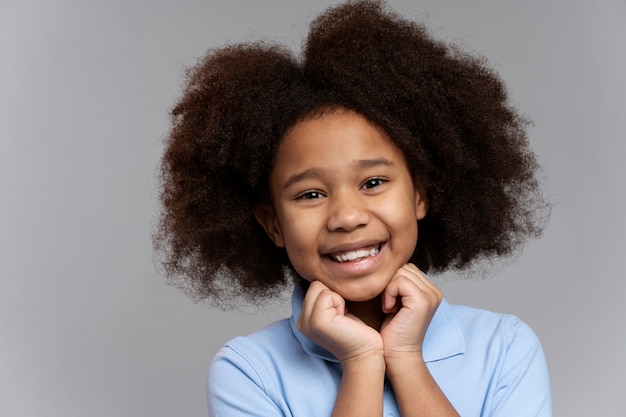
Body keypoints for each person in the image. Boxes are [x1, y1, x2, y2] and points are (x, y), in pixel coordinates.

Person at [153, 1, 552, 416]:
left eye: (373, 183)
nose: (347, 216)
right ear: (272, 224)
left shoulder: (504, 348)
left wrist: (406, 358)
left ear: (421, 193)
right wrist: (361, 362)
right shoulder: (249, 371)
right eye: (310, 194)